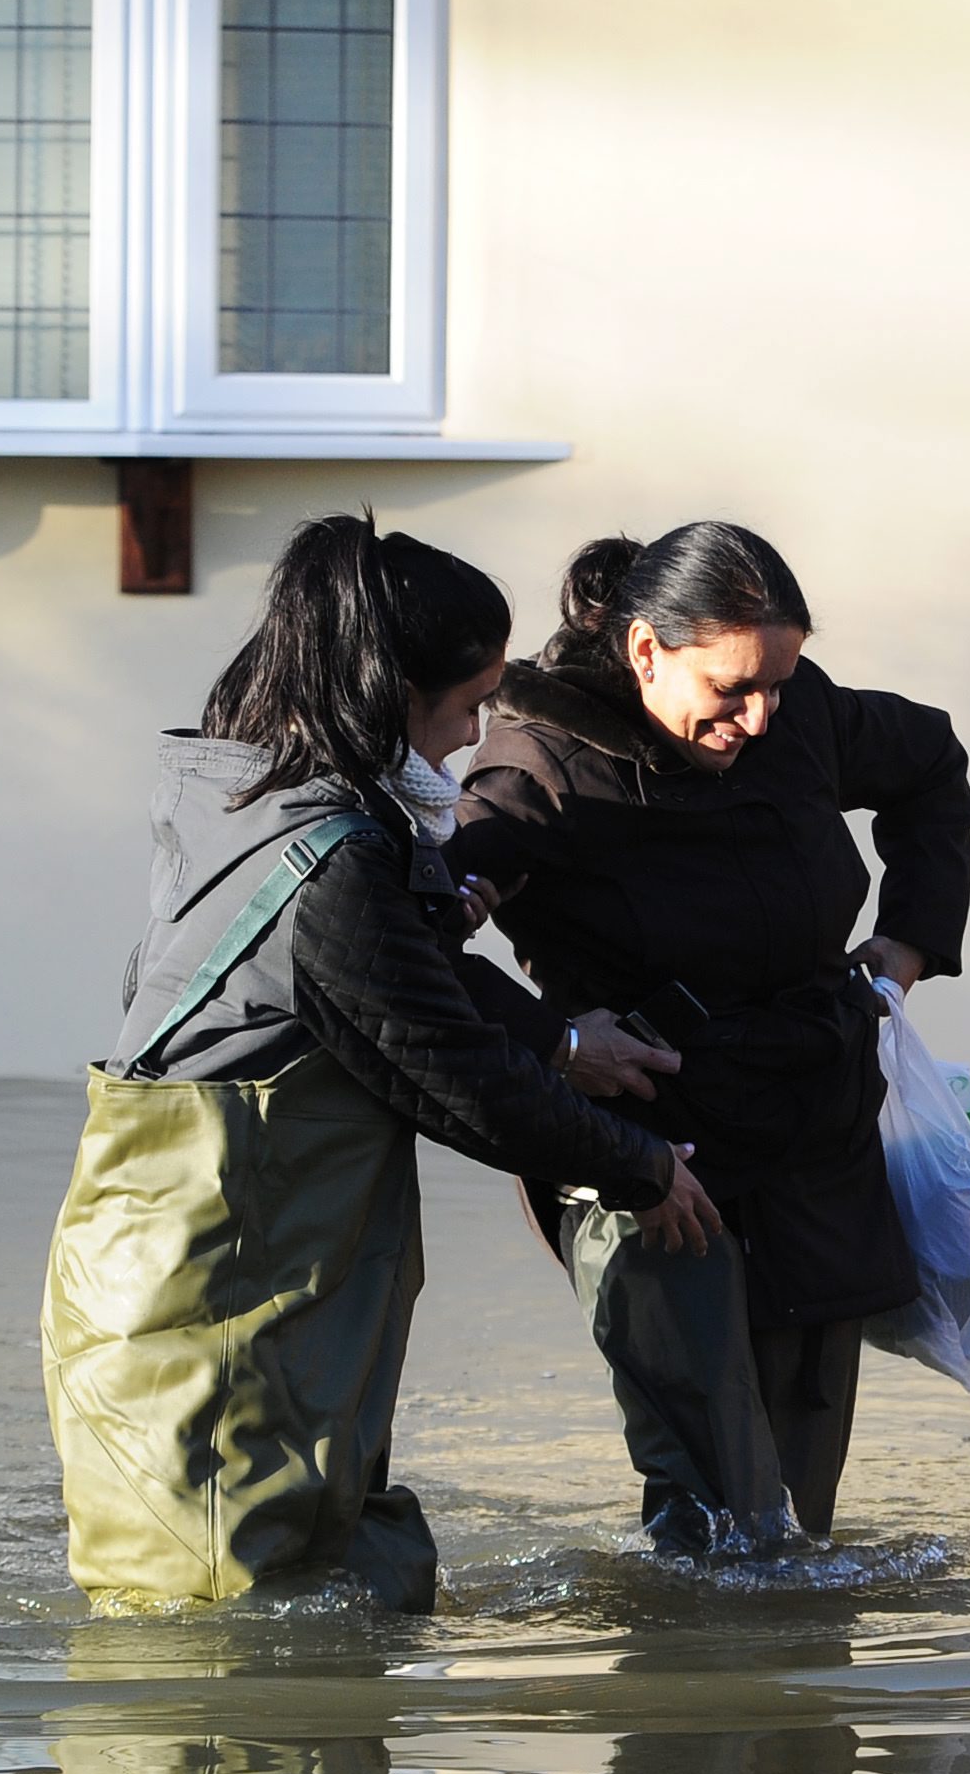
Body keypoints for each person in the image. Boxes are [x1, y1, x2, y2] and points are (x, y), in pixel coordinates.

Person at [42, 515, 720, 1614]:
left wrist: (560, 1039)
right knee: (233, 1647)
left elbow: (405, 973)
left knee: (297, 1574)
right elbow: (446, 1069)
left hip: (172, 1295)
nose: (469, 740)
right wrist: (641, 1168)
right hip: (217, 1314)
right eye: (465, 708)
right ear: (390, 694)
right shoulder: (333, 864)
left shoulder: (242, 800)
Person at [450, 523, 970, 1555]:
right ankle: (685, 1697)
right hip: (656, 1157)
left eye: (777, 682)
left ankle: (791, 1707)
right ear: (646, 650)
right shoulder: (533, 765)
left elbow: (931, 766)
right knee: (717, 1501)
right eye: (732, 688)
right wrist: (556, 1038)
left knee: (797, 1501)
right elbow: (405, 949)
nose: (758, 716)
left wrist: (910, 943)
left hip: (815, 1129)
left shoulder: (799, 715)